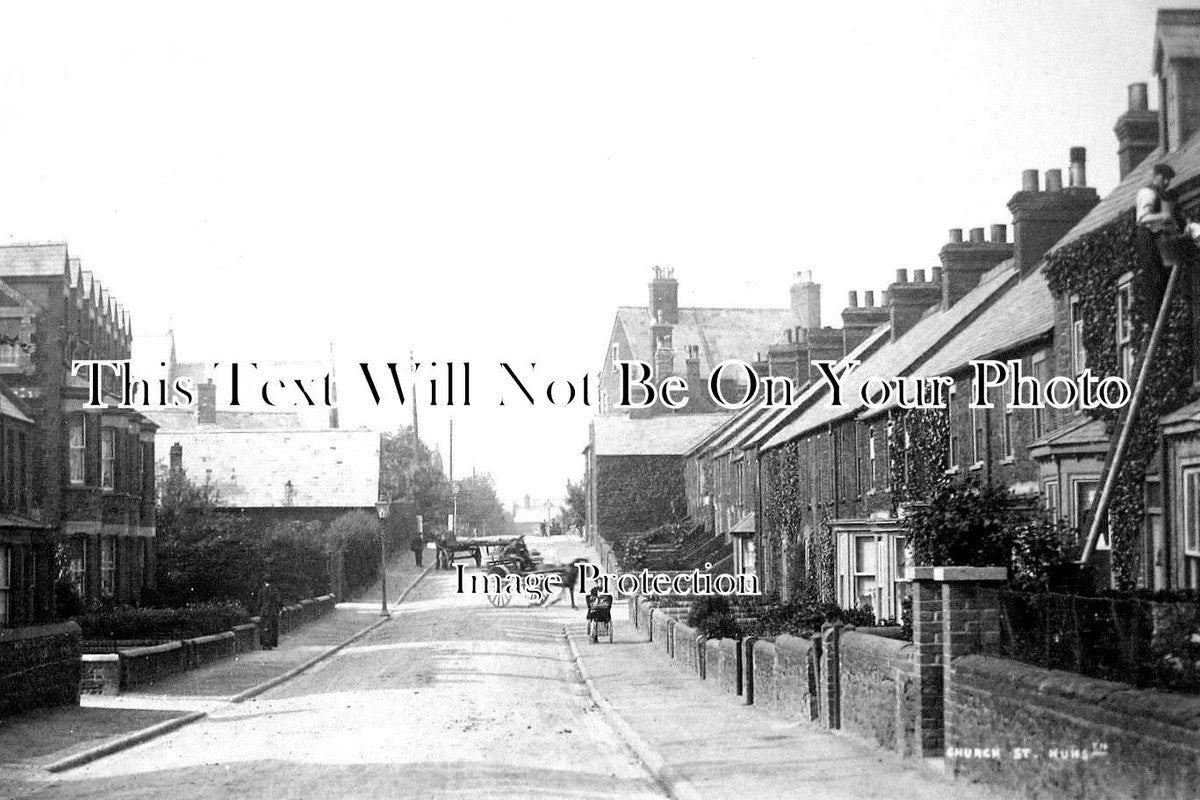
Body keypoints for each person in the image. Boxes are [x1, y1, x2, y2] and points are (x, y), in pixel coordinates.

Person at [1135, 163, 1180, 326]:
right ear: (1156, 176)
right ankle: (1153, 321)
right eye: (1164, 178)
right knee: (1154, 275)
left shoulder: (1162, 195)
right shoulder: (1148, 193)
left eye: (1169, 179)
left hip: (1157, 236)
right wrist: (1163, 216)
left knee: (1163, 276)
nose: (1167, 182)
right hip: (1147, 236)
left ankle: (1162, 319)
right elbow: (1142, 218)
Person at [258, 576, 282, 650]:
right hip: (272, 611)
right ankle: (270, 644)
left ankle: (265, 644)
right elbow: (278, 601)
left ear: (265, 582)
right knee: (272, 627)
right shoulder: (274, 590)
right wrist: (279, 609)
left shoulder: (262, 590)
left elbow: (259, 602)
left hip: (264, 611)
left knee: (264, 627)